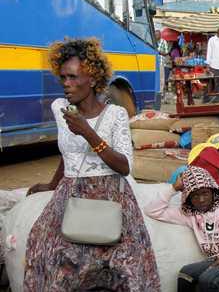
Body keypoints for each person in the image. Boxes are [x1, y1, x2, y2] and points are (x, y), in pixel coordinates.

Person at [23, 38, 160, 291]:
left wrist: (88, 133)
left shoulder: (115, 114)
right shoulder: (60, 108)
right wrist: (52, 184)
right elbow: (69, 153)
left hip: (110, 194)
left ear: (93, 79)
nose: (66, 84)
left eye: (73, 77)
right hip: (70, 192)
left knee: (127, 264)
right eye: (63, 77)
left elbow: (124, 166)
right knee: (41, 248)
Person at [144, 166, 219, 292]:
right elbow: (152, 210)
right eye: (195, 196)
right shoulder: (190, 215)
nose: (201, 200)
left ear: (212, 190)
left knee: (207, 280)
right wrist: (173, 188)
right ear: (188, 197)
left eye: (205, 193)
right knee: (185, 274)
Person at [206, 27, 219, 93]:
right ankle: (211, 100)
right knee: (213, 84)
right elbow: (209, 52)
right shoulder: (212, 40)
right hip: (213, 66)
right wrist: (207, 65)